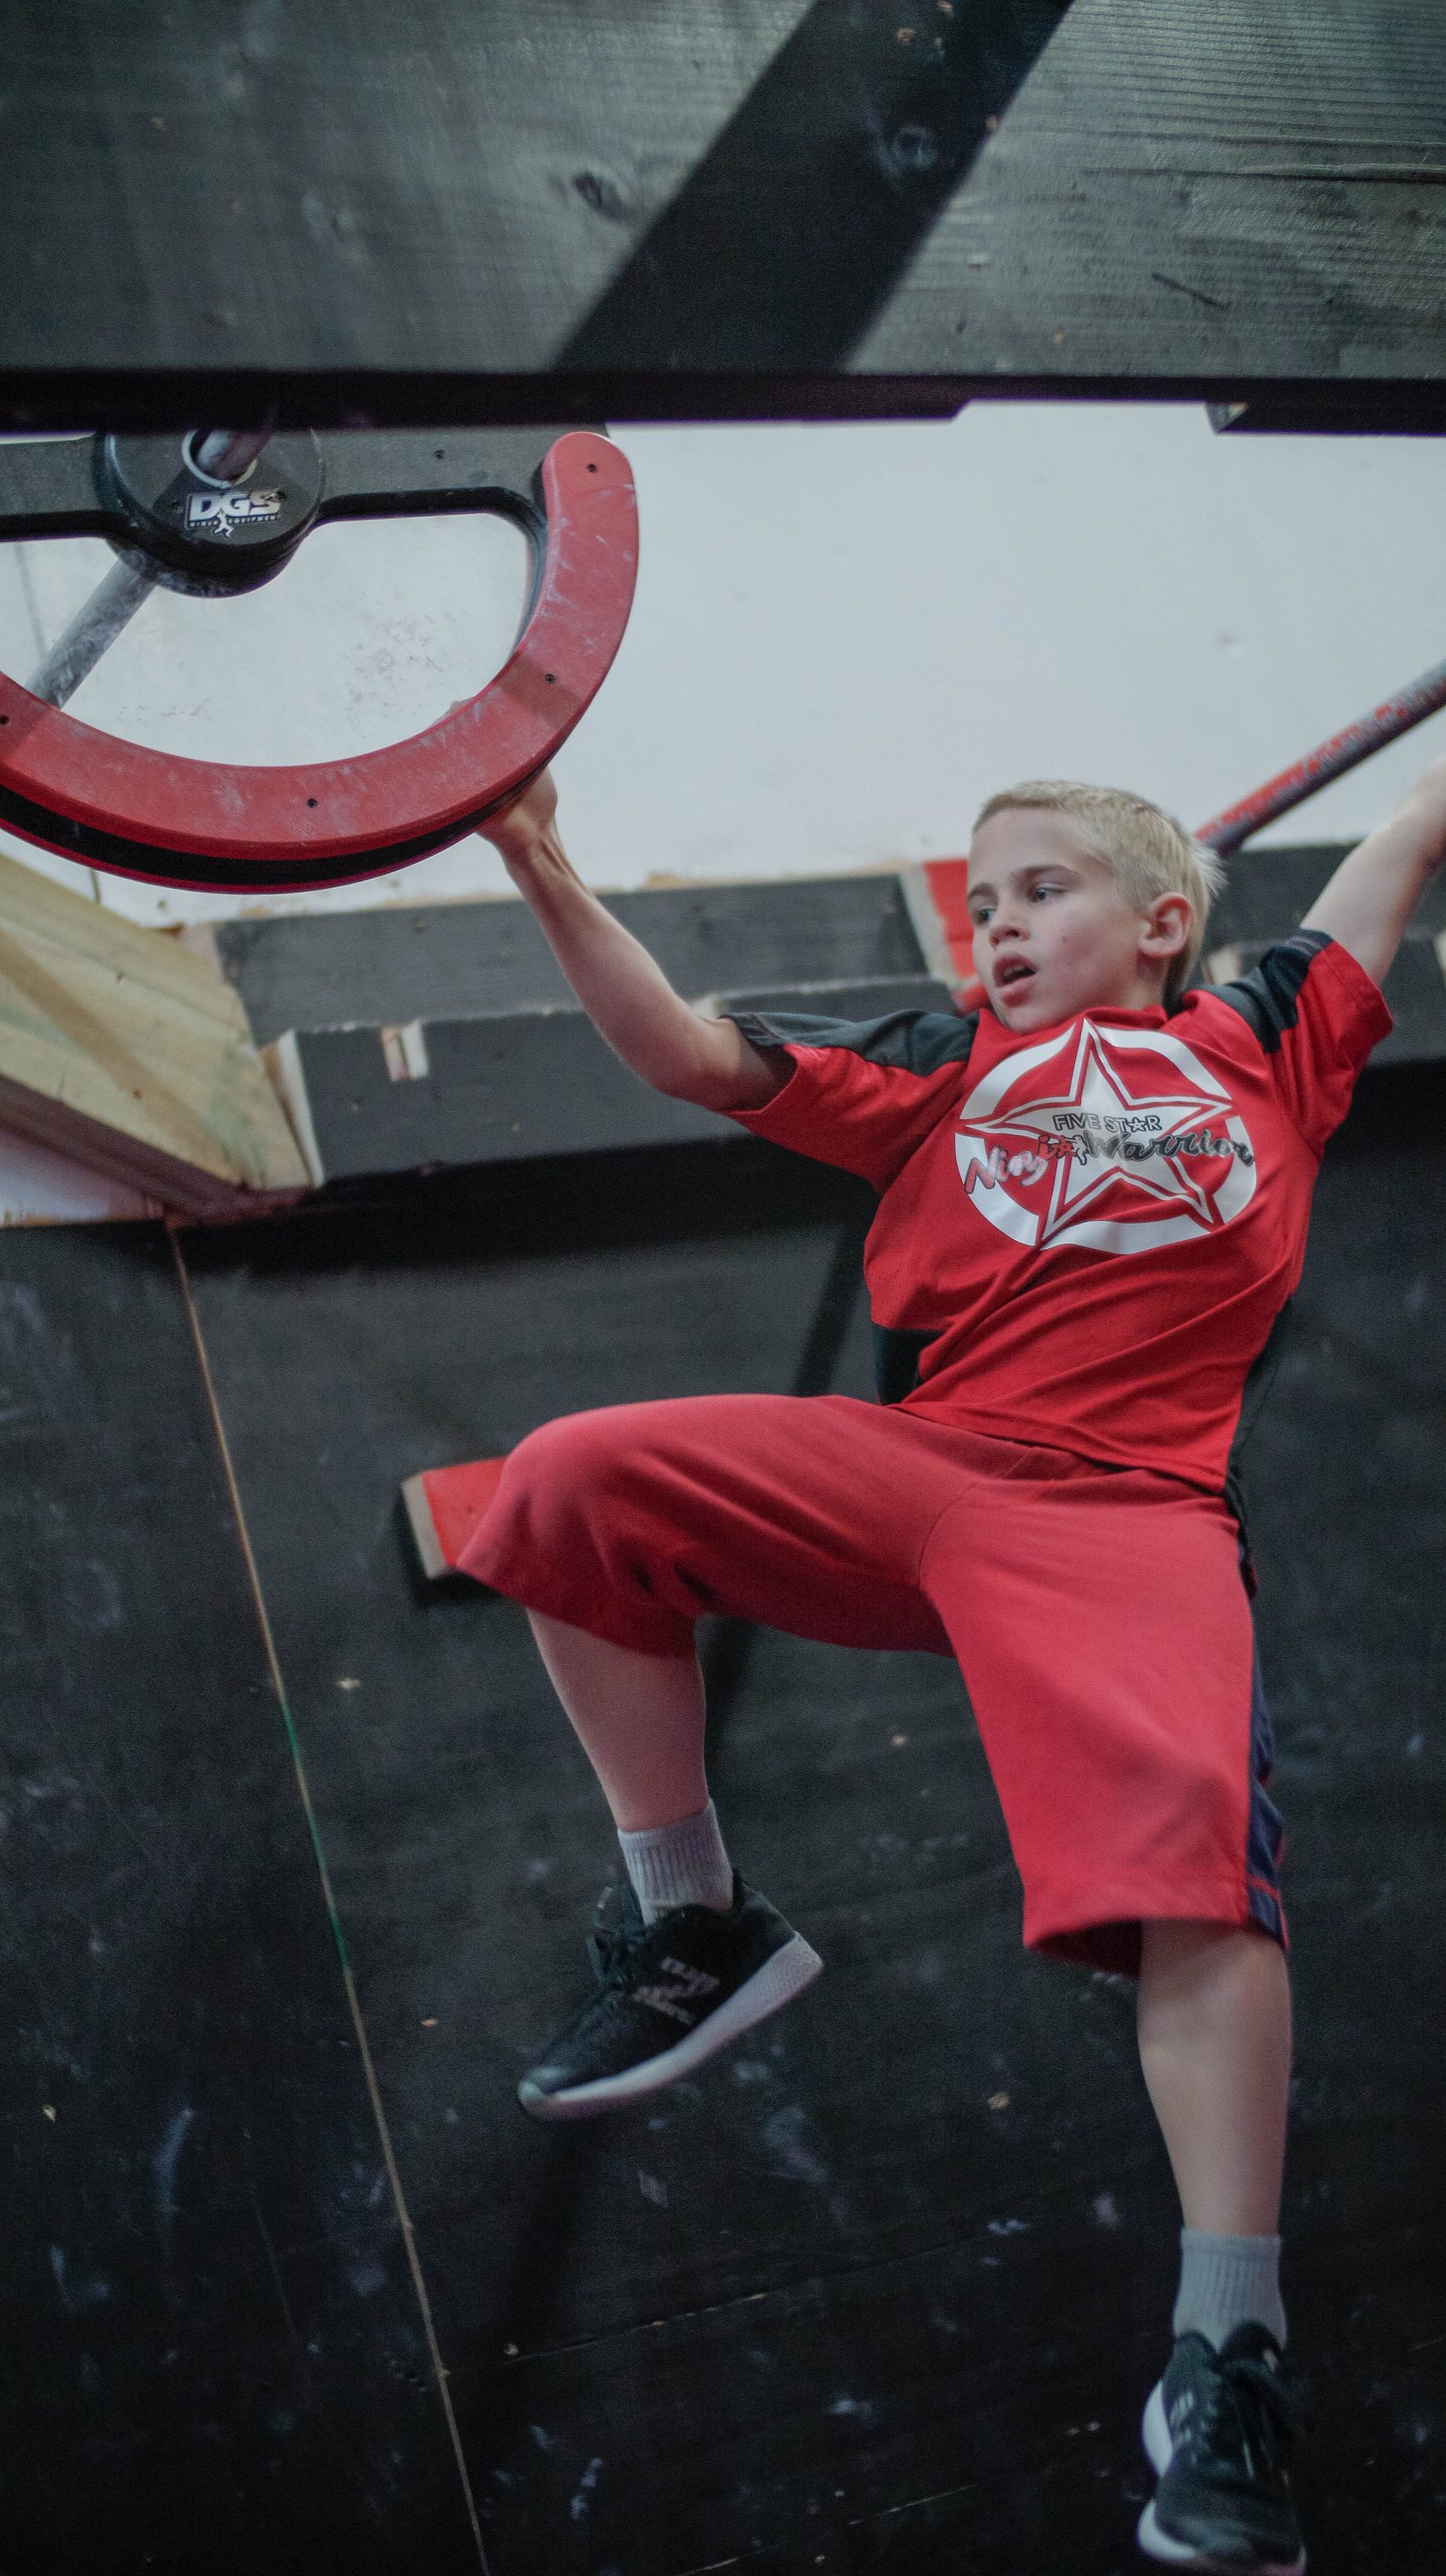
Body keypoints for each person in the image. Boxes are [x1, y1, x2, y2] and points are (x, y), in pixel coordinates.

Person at [461, 756, 1446, 2571]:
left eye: (1041, 891)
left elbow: (1416, 821)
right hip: (925, 1470)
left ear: (1163, 922)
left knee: (1196, 1879)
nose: (995, 926)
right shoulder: (938, 1065)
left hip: (1132, 1509)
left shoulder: (1273, 1038)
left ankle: (1228, 2355)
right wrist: (537, 859)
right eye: (978, 905)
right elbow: (685, 1053)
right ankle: (692, 1917)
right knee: (567, 1482)